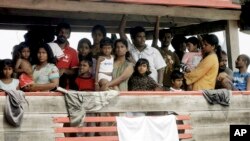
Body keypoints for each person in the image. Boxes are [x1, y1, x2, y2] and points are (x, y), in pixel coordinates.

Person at [119, 15, 166, 85]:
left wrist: (159, 85)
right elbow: (121, 31)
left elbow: (160, 70)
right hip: (135, 86)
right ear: (133, 38)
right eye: (139, 37)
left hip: (152, 86)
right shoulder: (130, 49)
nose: (142, 39)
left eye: (144, 36)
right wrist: (126, 14)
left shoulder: (153, 51)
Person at [152, 16, 180, 88]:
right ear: (160, 39)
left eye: (168, 37)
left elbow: (178, 70)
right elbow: (155, 37)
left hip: (170, 86)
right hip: (158, 84)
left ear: (171, 39)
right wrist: (157, 19)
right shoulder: (157, 50)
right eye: (164, 37)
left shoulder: (174, 55)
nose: (166, 39)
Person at [55, 23, 79, 89]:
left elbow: (75, 71)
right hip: (47, 82)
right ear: (56, 32)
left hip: (63, 86)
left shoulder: (73, 52)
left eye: (66, 33)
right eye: (61, 32)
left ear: (69, 35)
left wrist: (64, 70)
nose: (63, 34)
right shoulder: (49, 47)